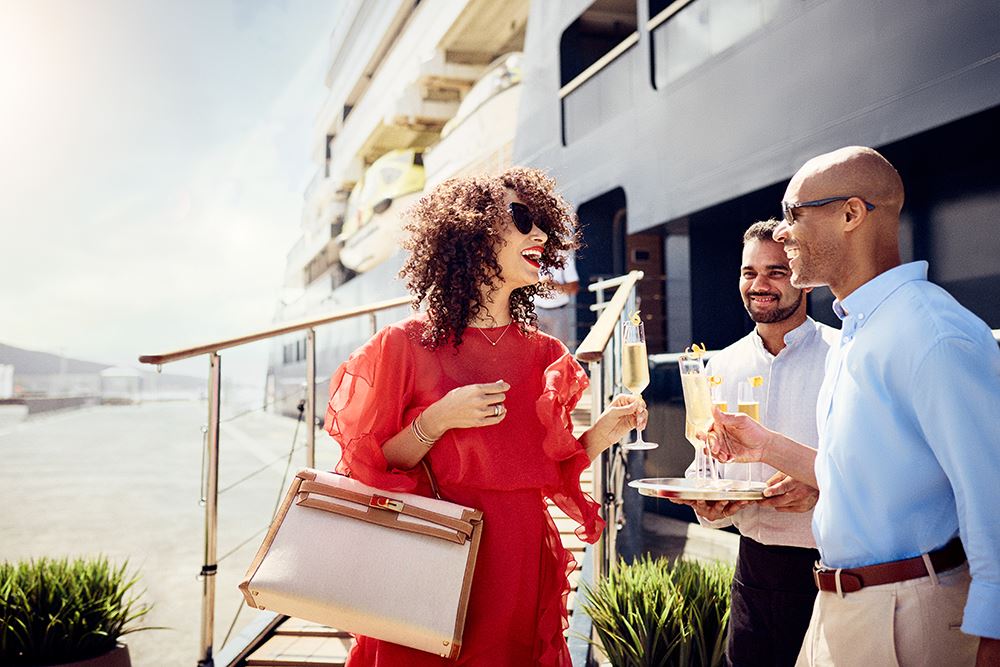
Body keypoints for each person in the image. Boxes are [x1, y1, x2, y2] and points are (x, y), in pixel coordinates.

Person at [323, 167, 648, 667]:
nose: (539, 233)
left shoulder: (545, 354)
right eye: (521, 219)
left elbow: (550, 470)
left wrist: (605, 431)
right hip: (432, 547)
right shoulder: (404, 345)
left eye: (543, 223)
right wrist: (438, 419)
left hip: (518, 558)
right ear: (471, 233)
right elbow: (373, 465)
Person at [705, 146, 1000, 666]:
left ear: (851, 213)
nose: (785, 231)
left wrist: (994, 638)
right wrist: (765, 444)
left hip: (908, 614)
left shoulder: (930, 333)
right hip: (841, 607)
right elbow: (855, 477)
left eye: (794, 213)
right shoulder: (861, 331)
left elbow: (993, 492)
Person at [674, 219, 836, 666]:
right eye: (750, 272)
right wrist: (706, 505)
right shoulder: (718, 366)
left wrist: (821, 489)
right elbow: (704, 468)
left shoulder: (844, 356)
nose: (759, 284)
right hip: (753, 572)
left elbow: (874, 469)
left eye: (776, 272)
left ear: (802, 279)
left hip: (832, 568)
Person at [533, 252, 580, 347]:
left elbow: (574, 288)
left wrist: (553, 285)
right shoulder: (533, 255)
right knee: (534, 349)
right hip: (536, 311)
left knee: (558, 351)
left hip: (558, 312)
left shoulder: (564, 257)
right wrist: (538, 284)